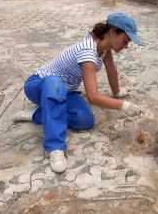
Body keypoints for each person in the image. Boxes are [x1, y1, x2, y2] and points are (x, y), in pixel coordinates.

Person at [13, 12, 145, 173]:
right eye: (125, 40)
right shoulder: (88, 52)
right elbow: (93, 96)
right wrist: (124, 106)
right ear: (112, 32)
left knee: (85, 120)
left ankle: (38, 114)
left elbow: (110, 67)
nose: (126, 45)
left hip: (65, 91)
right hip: (39, 85)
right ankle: (55, 148)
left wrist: (117, 92)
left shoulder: (103, 45)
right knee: (54, 82)